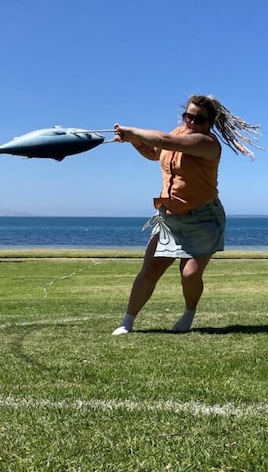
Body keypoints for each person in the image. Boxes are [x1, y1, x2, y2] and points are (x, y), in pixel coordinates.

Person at [111, 94, 260, 335]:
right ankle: (126, 323)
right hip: (169, 217)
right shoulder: (179, 134)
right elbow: (155, 152)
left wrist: (132, 131)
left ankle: (189, 312)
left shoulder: (207, 143)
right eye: (188, 117)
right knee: (149, 271)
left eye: (199, 119)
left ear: (210, 122)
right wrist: (133, 141)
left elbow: (164, 140)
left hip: (203, 217)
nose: (192, 123)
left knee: (189, 274)